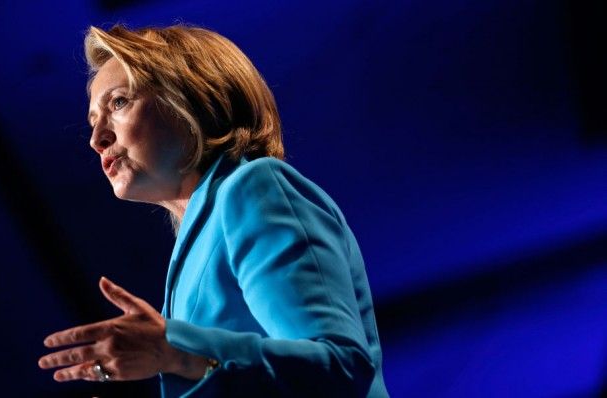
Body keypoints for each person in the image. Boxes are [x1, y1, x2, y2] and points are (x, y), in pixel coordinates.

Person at [38, 24, 389, 398]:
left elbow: (339, 368)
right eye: (94, 120)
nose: (97, 139)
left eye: (119, 102)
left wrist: (174, 350)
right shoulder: (195, 243)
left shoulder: (253, 188)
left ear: (189, 99)